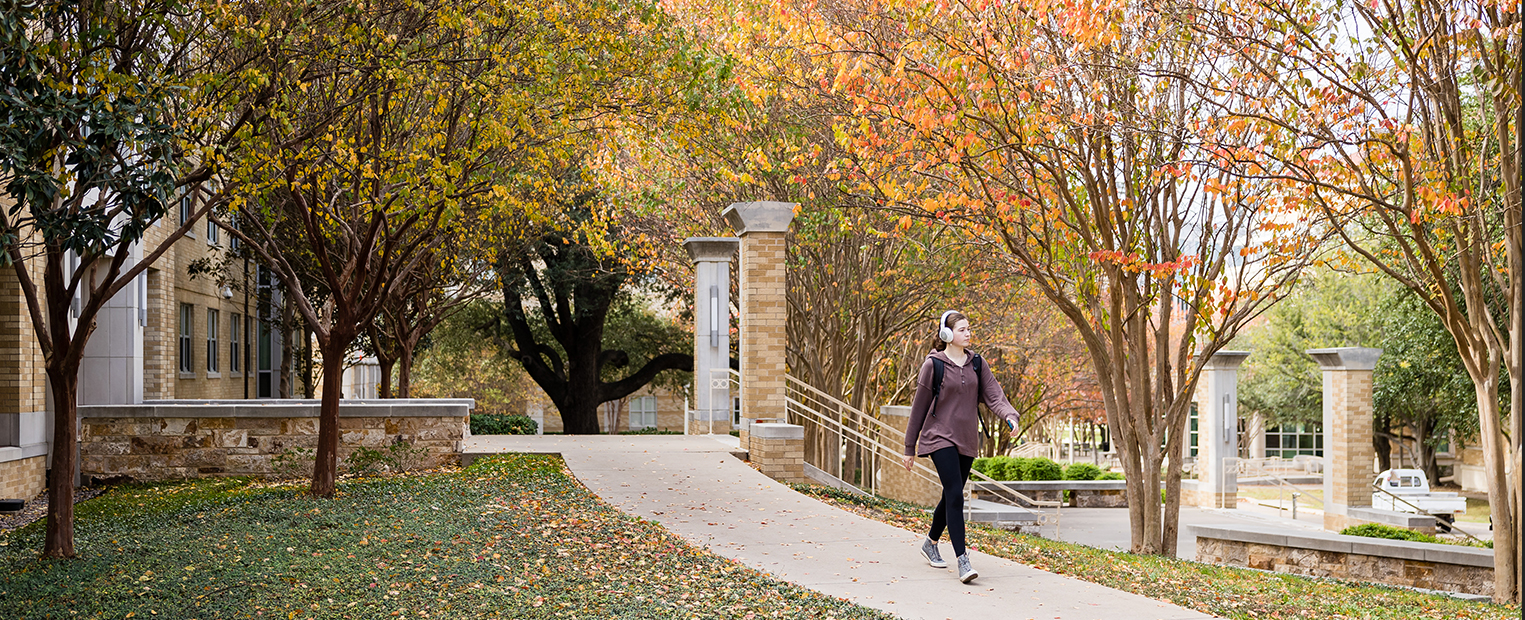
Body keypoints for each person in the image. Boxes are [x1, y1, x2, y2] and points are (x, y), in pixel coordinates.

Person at [901, 310, 1020, 583]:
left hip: (966, 438)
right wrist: (909, 447)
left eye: (969, 328)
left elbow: (995, 396)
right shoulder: (933, 365)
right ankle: (963, 560)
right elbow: (918, 409)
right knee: (956, 494)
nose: (968, 333)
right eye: (963, 329)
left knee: (950, 495)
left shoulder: (977, 363)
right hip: (939, 436)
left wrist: (1010, 416)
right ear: (947, 334)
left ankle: (930, 542)